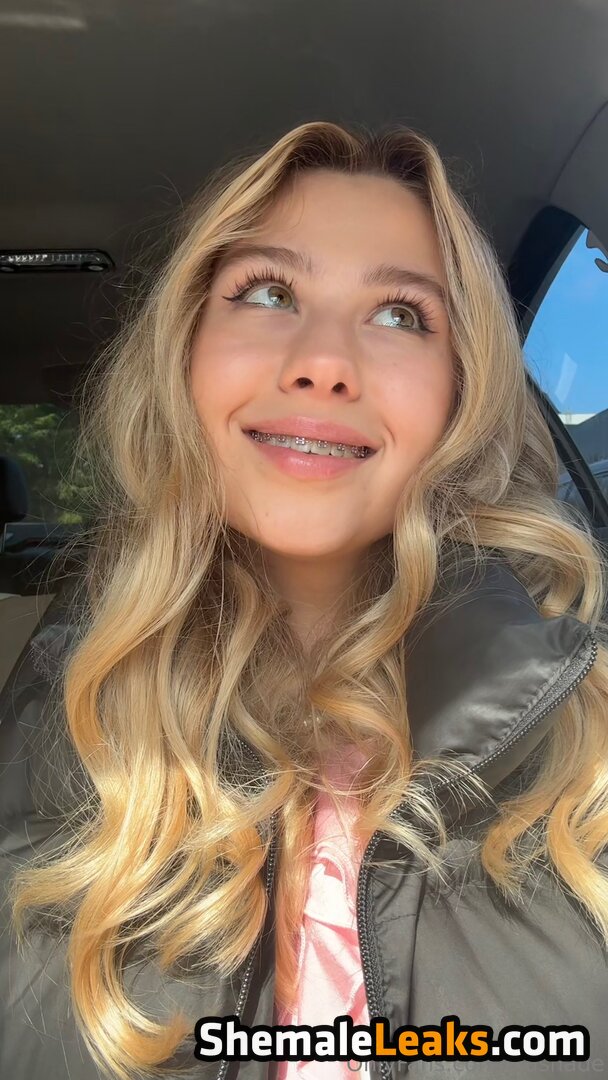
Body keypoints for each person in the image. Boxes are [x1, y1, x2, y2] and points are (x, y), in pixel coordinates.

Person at [1, 119, 607, 1080]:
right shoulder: (61, 709)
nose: (324, 362)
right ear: (186, 356)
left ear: (462, 391)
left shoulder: (585, 727)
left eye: (400, 314)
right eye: (269, 293)